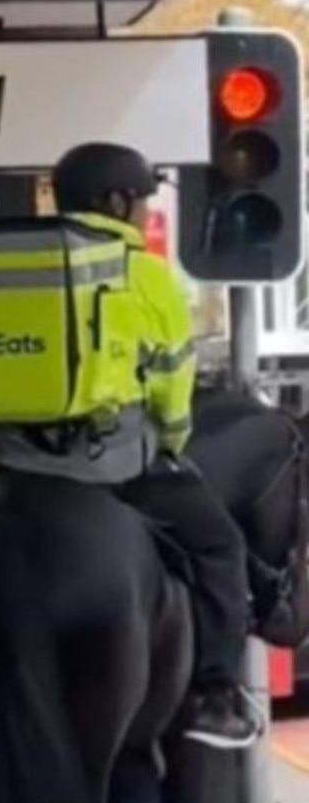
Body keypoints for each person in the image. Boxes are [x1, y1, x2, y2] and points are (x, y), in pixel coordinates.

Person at [45, 142, 256, 749]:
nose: (143, 211)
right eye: (140, 199)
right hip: (117, 463)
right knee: (221, 547)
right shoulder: (144, 274)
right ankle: (215, 694)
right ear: (114, 200)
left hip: (11, 457)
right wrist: (173, 440)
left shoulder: (27, 261)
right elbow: (170, 386)